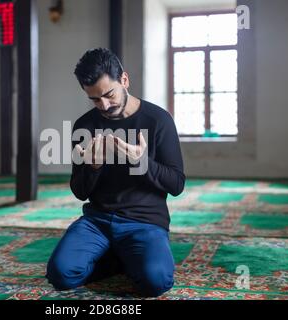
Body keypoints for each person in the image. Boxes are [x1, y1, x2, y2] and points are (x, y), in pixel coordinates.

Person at [46, 48, 185, 297]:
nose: (105, 105)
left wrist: (142, 162)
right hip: (97, 221)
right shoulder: (85, 126)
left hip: (145, 221)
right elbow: (79, 191)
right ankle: (121, 258)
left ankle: (125, 257)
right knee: (61, 275)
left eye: (109, 95)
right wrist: (94, 167)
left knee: (156, 282)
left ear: (124, 80)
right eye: (95, 99)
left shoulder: (158, 120)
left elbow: (176, 184)